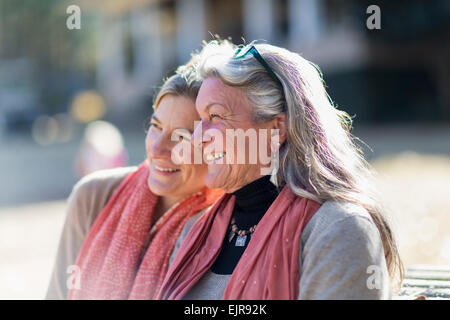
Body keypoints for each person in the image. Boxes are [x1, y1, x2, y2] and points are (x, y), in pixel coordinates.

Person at [157, 40, 403, 300]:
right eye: (199, 120)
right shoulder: (196, 231)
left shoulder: (339, 230)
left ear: (277, 129)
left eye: (215, 117)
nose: (196, 138)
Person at [45, 61, 222, 300]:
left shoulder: (226, 227)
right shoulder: (93, 196)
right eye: (156, 126)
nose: (158, 149)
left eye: (181, 136)